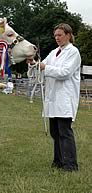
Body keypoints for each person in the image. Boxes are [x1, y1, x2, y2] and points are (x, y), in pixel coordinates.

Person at [39, 23, 81, 172]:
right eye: (55, 35)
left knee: (65, 132)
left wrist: (45, 68)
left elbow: (65, 72)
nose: (57, 38)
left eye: (60, 35)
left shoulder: (73, 52)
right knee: (55, 132)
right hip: (53, 98)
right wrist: (34, 63)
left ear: (68, 35)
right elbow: (42, 65)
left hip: (65, 97)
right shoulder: (54, 52)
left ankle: (70, 165)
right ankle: (58, 161)